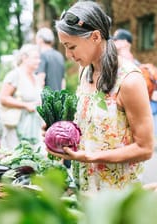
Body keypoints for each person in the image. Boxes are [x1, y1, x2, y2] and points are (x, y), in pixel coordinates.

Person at [45, 1, 154, 193]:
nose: (68, 54)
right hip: (83, 190)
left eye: (71, 47)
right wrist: (59, 129)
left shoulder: (129, 80)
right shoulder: (84, 71)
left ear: (95, 36)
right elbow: (91, 126)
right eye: (64, 47)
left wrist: (90, 157)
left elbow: (145, 149)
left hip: (117, 198)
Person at [0, 44, 44, 150]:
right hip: (15, 128)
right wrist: (25, 105)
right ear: (24, 58)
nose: (39, 61)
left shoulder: (36, 77)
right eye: (35, 58)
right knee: (17, 159)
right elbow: (3, 98)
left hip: (33, 128)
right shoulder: (14, 75)